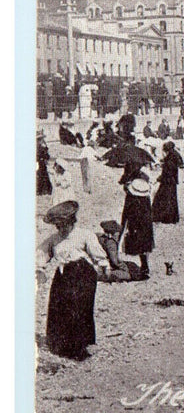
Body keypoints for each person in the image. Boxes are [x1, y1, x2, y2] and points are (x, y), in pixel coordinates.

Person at [39, 201, 109, 359]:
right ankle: (61, 344)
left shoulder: (84, 235)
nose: (62, 229)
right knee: (60, 307)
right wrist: (39, 267)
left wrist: (103, 266)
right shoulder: (54, 239)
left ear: (71, 223)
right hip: (64, 275)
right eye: (58, 226)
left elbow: (97, 254)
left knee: (79, 307)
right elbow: (42, 254)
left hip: (83, 273)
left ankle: (80, 346)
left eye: (64, 225)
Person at [121, 176, 156, 279]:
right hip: (146, 224)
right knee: (145, 244)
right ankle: (145, 265)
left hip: (135, 223)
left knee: (137, 242)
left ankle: (143, 266)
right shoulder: (146, 199)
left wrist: (125, 224)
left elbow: (127, 212)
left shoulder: (131, 199)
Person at [152, 141, 184, 224]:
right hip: (172, 181)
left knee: (163, 199)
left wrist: (159, 178)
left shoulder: (169, 159)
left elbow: (167, 172)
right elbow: (179, 163)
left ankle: (162, 217)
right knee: (171, 199)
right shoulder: (175, 154)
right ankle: (172, 217)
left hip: (167, 181)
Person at [37, 131, 52, 197]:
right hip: (40, 163)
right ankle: (43, 191)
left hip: (40, 163)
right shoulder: (40, 147)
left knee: (42, 176)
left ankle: (42, 191)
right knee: (42, 176)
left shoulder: (39, 147)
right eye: (41, 139)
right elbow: (47, 156)